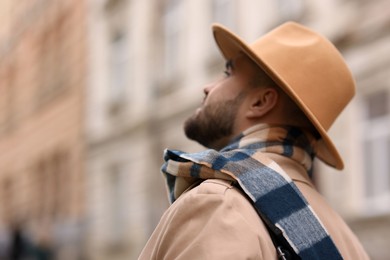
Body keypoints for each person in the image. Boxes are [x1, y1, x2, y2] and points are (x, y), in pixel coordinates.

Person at [139, 22, 369, 259]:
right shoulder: (346, 238)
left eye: (228, 73)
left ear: (260, 102)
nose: (208, 87)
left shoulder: (220, 203)